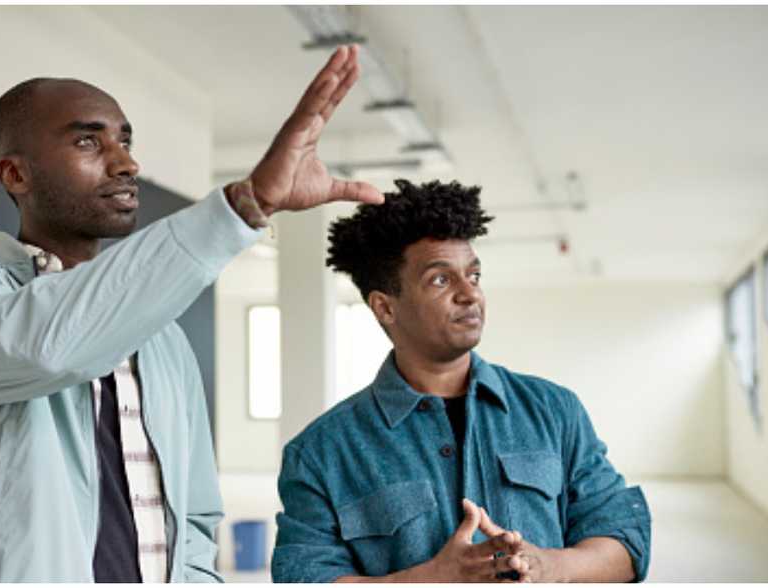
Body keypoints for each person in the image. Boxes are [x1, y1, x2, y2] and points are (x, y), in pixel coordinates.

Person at [0, 45, 382, 582]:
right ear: (15, 174)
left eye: (124, 140)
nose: (127, 163)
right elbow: (46, 344)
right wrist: (245, 206)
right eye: (88, 141)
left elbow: (194, 515)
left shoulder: (162, 336)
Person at [271, 179, 651, 583]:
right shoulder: (321, 451)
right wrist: (431, 579)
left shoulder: (554, 411)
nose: (469, 294)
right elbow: (303, 576)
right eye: (441, 279)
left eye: (474, 275)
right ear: (385, 307)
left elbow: (625, 537)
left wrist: (552, 566)